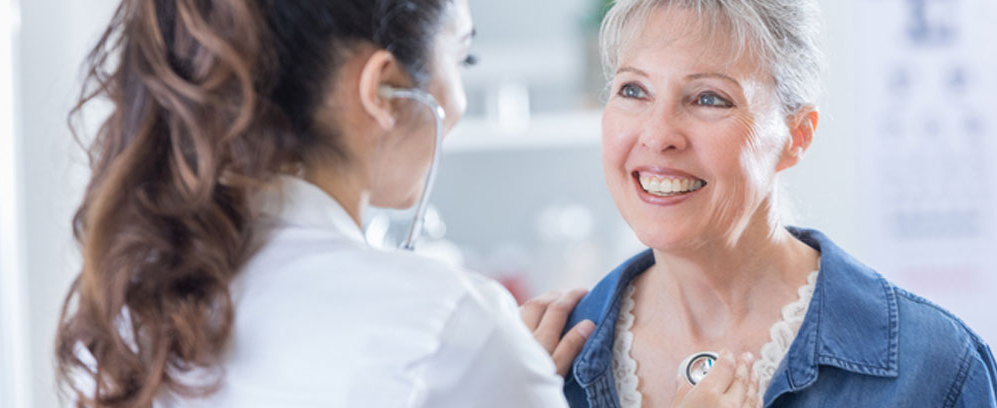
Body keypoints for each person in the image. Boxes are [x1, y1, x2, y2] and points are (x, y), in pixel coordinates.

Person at [53, 0, 598, 406]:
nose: (456, 102)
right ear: (383, 90)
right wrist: (499, 372)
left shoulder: (133, 309)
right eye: (464, 57)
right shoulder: (447, 329)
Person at [558, 0, 997, 407]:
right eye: (633, 90)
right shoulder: (543, 365)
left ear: (797, 136)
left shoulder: (935, 368)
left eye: (709, 98)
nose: (657, 136)